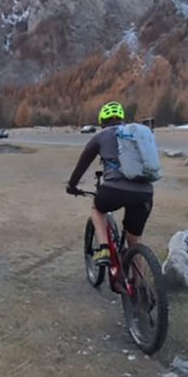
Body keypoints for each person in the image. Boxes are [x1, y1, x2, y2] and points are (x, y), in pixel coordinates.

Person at [65, 101, 154, 265]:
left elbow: (82, 164)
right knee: (135, 239)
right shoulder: (138, 134)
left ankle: (104, 248)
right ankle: (139, 286)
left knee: (98, 210)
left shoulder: (101, 136)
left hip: (114, 189)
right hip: (145, 192)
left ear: (102, 121)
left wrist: (72, 185)